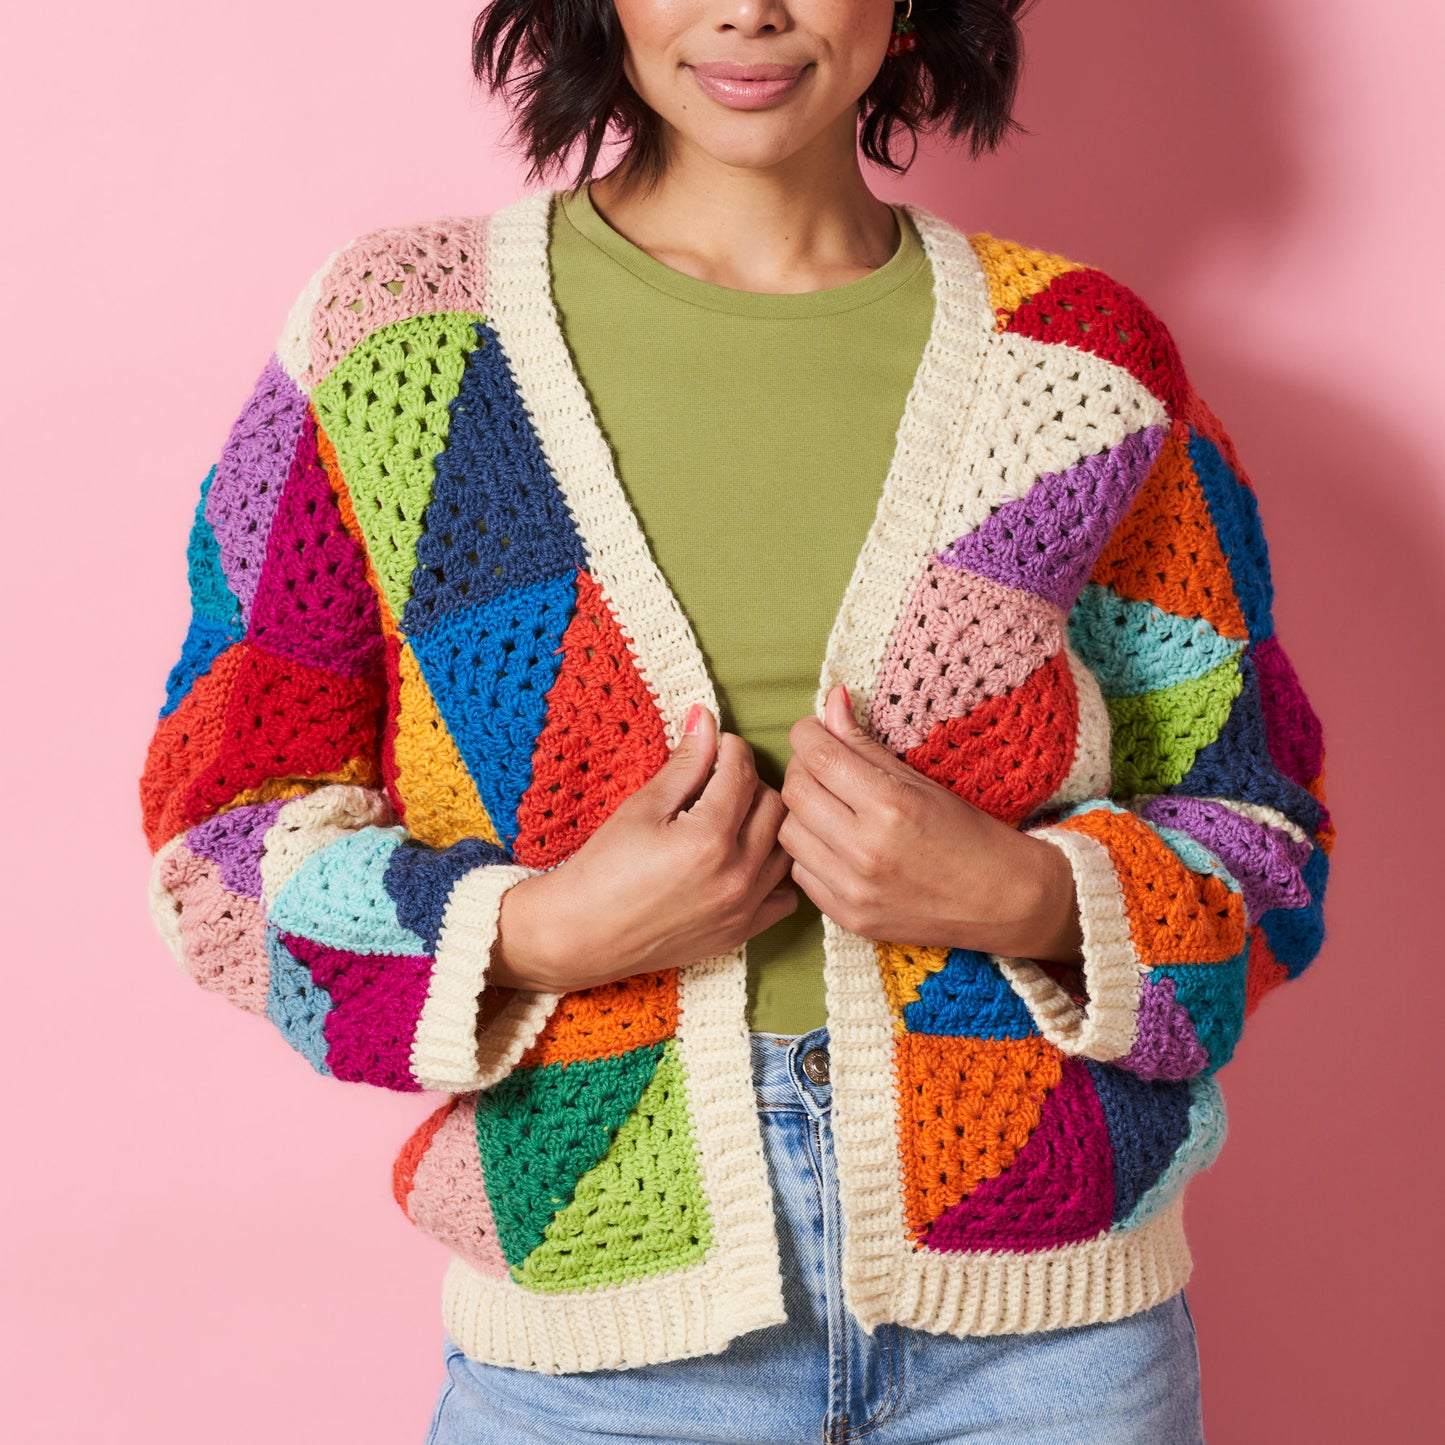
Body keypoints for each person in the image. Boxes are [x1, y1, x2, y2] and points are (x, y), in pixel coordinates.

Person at [139, 0, 1333, 1440]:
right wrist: (539, 933)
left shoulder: (1079, 357)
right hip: (594, 1337)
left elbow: (1261, 836)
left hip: (1049, 1329)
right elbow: (222, 841)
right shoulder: (398, 343)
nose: (749, 7)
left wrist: (1024, 894)